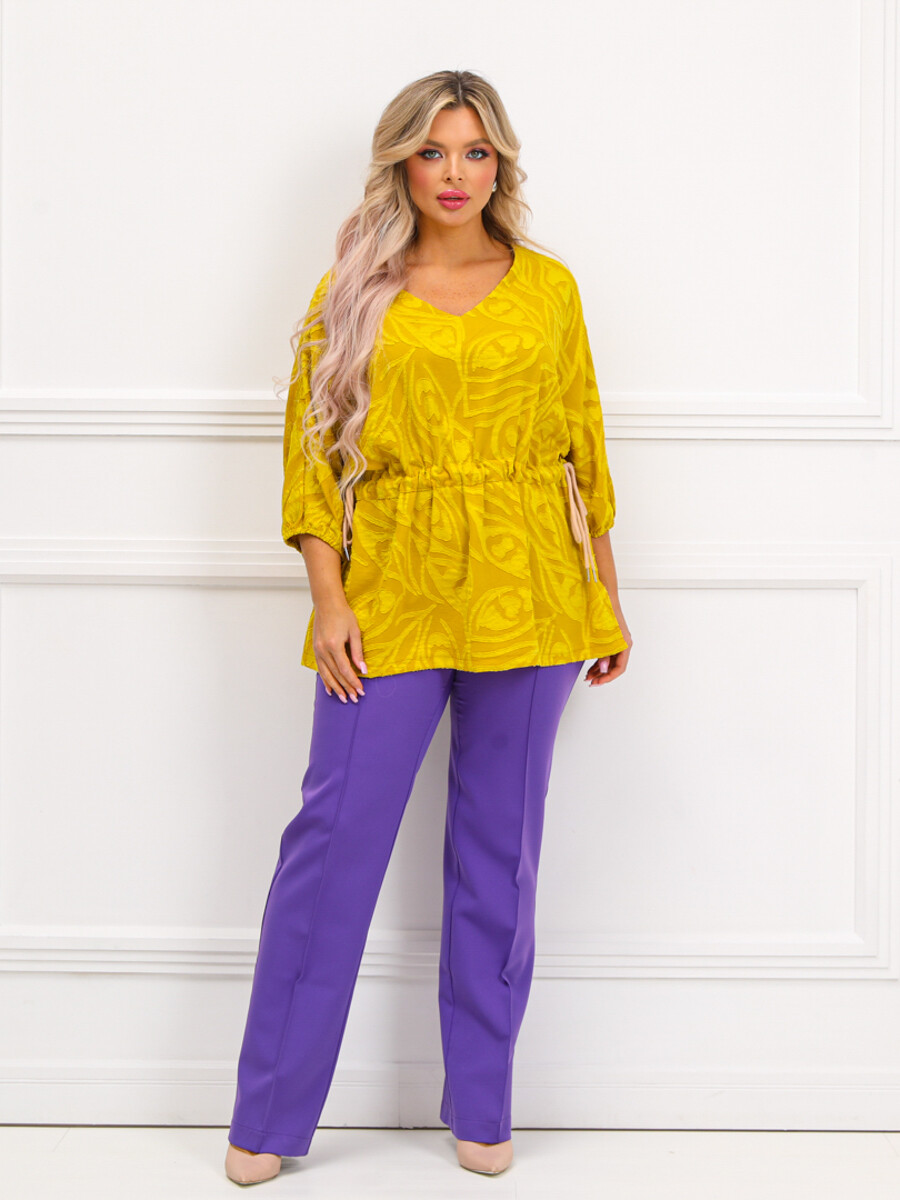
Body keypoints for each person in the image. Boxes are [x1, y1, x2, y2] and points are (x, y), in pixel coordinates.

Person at [224, 68, 633, 1186]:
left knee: (500, 857)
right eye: (433, 152)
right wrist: (329, 598)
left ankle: (483, 1104)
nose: (455, 173)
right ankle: (268, 1114)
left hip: (533, 595)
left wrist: (605, 591)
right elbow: (313, 456)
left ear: (501, 165)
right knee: (331, 847)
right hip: (391, 594)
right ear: (400, 164)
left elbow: (583, 445)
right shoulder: (353, 289)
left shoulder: (549, 289)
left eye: (476, 152)